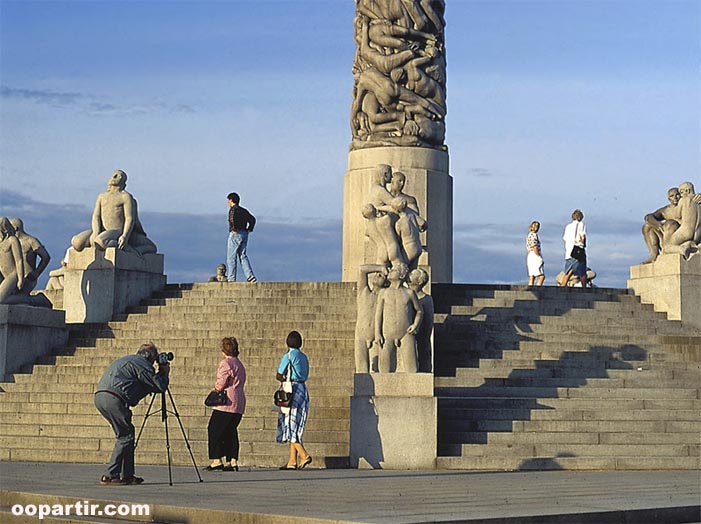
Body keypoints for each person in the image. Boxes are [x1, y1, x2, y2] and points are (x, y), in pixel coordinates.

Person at [94, 342, 169, 485]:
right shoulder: (143, 364)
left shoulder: (128, 359)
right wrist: (164, 372)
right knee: (125, 436)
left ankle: (128, 475)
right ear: (151, 357)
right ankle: (110, 475)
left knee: (127, 434)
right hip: (114, 399)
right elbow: (159, 386)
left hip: (101, 396)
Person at [71, 170, 157, 255]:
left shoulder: (125, 197)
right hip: (102, 230)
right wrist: (95, 232)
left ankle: (126, 248)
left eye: (119, 176)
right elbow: (96, 216)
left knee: (100, 241)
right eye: (114, 175)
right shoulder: (102, 196)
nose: (115, 177)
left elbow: (129, 218)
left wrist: (124, 236)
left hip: (117, 231)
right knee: (77, 242)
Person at [205, 337, 246, 472]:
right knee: (231, 431)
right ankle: (232, 460)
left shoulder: (226, 363)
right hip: (239, 402)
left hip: (226, 402)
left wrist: (215, 390)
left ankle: (217, 460)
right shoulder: (239, 364)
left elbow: (221, 382)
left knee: (214, 429)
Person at [374, 263, 422, 373]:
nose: (390, 270)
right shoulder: (383, 292)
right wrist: (377, 333)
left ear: (401, 275)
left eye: (394, 270)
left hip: (406, 333)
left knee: (412, 369)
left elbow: (419, 311)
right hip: (387, 334)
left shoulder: (409, 293)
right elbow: (378, 314)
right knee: (385, 369)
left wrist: (415, 325)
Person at [276, 330, 312, 470]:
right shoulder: (304, 357)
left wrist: (282, 378)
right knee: (296, 424)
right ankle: (292, 460)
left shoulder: (289, 355)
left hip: (292, 390)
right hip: (303, 389)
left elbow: (280, 374)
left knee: (289, 423)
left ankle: (304, 455)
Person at [9, 218, 51, 294]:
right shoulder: (11, 242)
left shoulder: (31, 241)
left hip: (28, 278)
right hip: (13, 278)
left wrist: (37, 272)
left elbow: (46, 257)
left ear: (15, 228)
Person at [641, 187, 681, 264]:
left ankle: (669, 249)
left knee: (670, 223)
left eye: (677, 195)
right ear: (669, 199)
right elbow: (648, 217)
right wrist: (658, 224)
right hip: (666, 236)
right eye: (672, 196)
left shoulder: (686, 205)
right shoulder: (666, 210)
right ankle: (654, 255)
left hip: (681, 236)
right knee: (647, 227)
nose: (675, 197)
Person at [226, 192, 257, 283]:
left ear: (231, 200)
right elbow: (252, 219)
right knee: (242, 255)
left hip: (236, 234)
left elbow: (232, 219)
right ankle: (250, 276)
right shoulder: (244, 210)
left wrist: (233, 228)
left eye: (228, 200)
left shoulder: (233, 210)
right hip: (244, 234)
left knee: (231, 257)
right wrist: (249, 229)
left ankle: (231, 278)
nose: (228, 202)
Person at [561, 210, 588, 288]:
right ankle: (584, 289)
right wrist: (584, 244)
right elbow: (582, 237)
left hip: (569, 251)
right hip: (578, 250)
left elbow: (565, 239)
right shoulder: (581, 225)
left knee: (568, 272)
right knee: (582, 272)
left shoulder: (568, 226)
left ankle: (562, 288)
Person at [526, 221, 545, 286]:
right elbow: (534, 246)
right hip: (534, 255)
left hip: (530, 255)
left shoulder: (529, 235)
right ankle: (538, 288)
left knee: (532, 276)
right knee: (541, 276)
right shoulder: (534, 235)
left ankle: (530, 288)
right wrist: (538, 256)